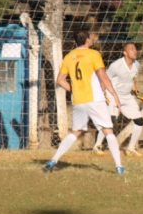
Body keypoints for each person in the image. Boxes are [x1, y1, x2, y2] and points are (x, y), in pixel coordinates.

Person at [43, 30, 125, 175]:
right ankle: (119, 167)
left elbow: (60, 80)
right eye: (91, 38)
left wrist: (73, 90)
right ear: (87, 40)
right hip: (95, 99)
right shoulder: (94, 54)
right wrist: (115, 96)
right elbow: (103, 76)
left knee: (75, 132)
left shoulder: (69, 57)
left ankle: (53, 161)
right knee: (108, 131)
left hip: (78, 100)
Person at [93, 43, 143, 156]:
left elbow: (132, 80)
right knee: (110, 121)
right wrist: (103, 95)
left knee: (139, 121)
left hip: (127, 96)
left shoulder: (136, 65)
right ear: (125, 53)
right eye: (131, 49)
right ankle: (97, 145)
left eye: (135, 49)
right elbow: (105, 79)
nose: (135, 51)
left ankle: (131, 148)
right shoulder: (116, 66)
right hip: (112, 95)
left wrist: (138, 94)